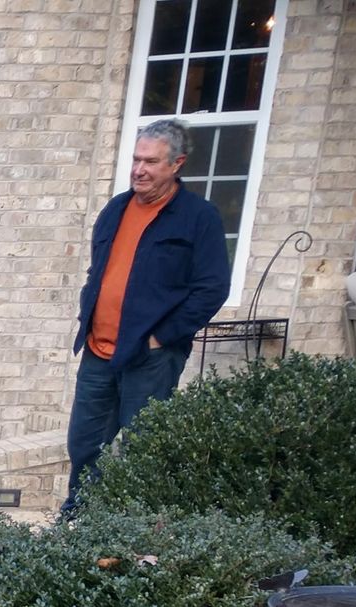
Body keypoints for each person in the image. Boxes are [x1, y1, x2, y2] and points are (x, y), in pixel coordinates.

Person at [64, 118, 230, 514]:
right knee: (84, 444)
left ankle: (133, 530)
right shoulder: (116, 209)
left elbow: (212, 288)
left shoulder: (198, 217)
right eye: (136, 159)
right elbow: (98, 271)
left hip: (152, 357)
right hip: (97, 351)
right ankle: (77, 520)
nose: (139, 169)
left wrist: (162, 337)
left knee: (142, 448)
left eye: (151, 162)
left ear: (176, 164)